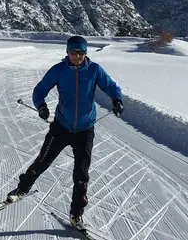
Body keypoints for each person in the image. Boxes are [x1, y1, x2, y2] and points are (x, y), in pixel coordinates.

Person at [8, 35, 124, 228]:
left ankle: (76, 214)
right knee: (42, 161)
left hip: (85, 130)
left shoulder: (94, 70)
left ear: (85, 53)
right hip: (61, 127)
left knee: (81, 174)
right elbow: (40, 90)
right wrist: (41, 106)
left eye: (81, 53)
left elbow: (111, 86)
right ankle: (22, 189)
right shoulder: (59, 70)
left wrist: (117, 100)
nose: (77, 56)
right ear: (67, 52)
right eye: (73, 52)